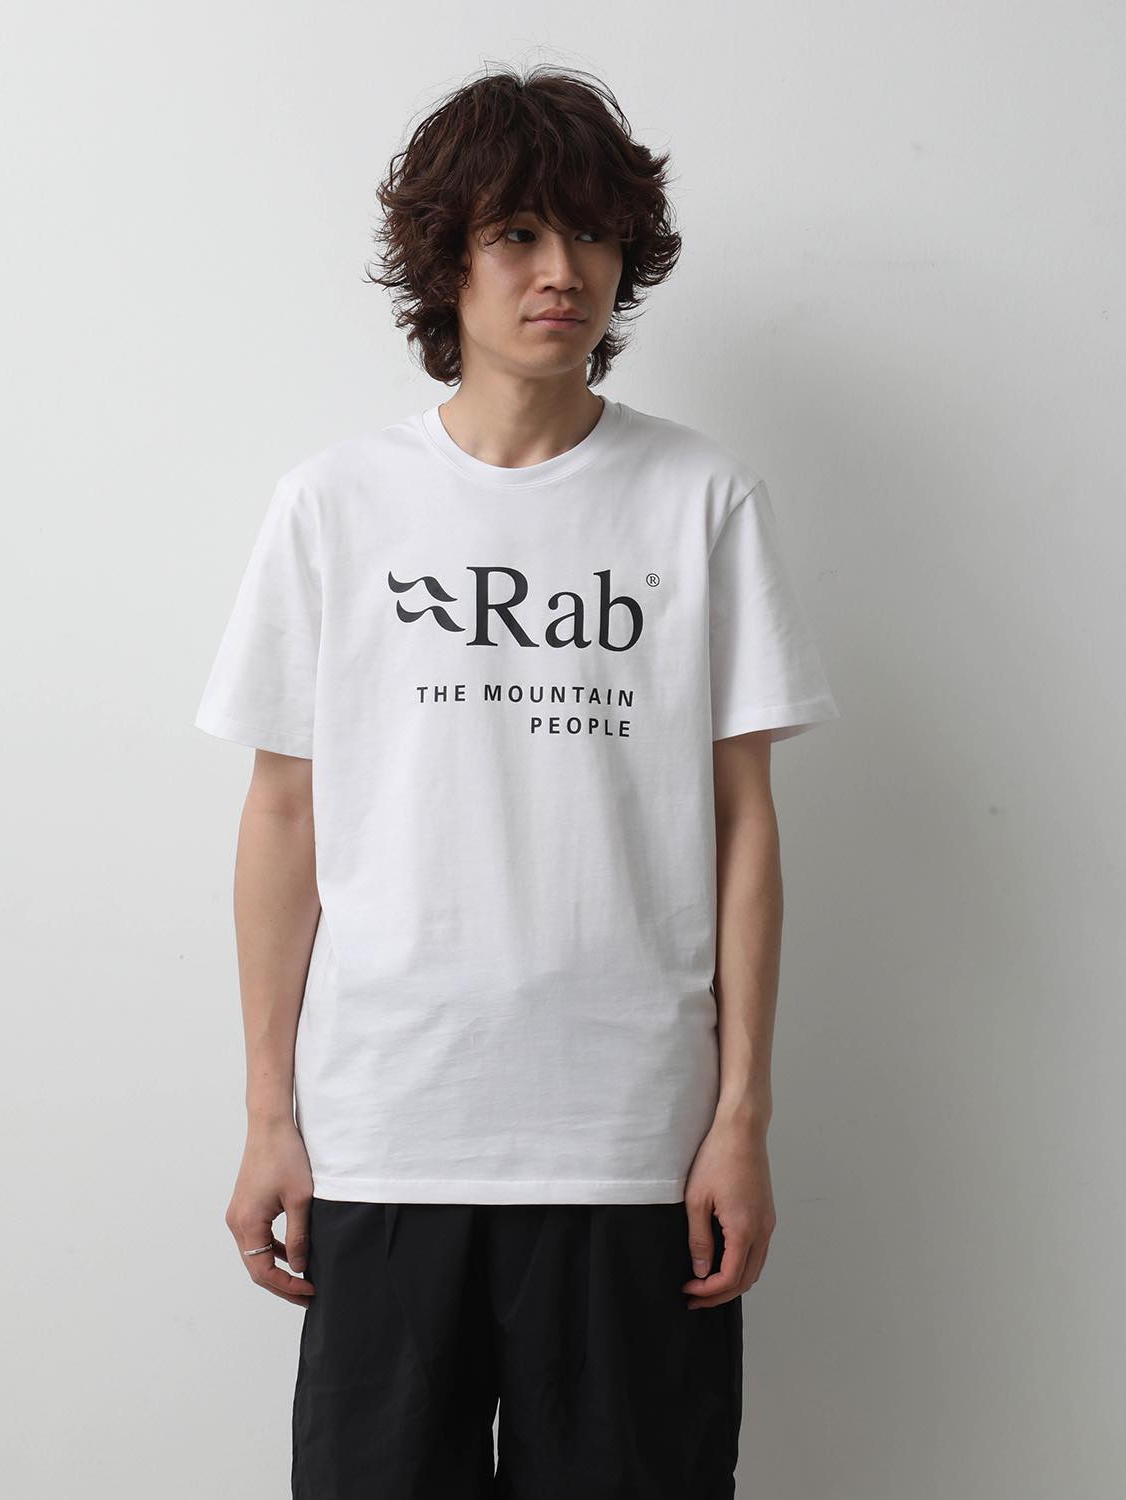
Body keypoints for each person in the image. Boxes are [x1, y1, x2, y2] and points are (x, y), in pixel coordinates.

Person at [194, 64, 840, 1500]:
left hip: (631, 1143)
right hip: (386, 1130)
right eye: (520, 235)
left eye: (595, 235)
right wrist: (269, 1114)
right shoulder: (335, 505)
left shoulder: (702, 500)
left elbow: (742, 823)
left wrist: (740, 1117)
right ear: (448, 261)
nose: (565, 272)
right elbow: (284, 816)